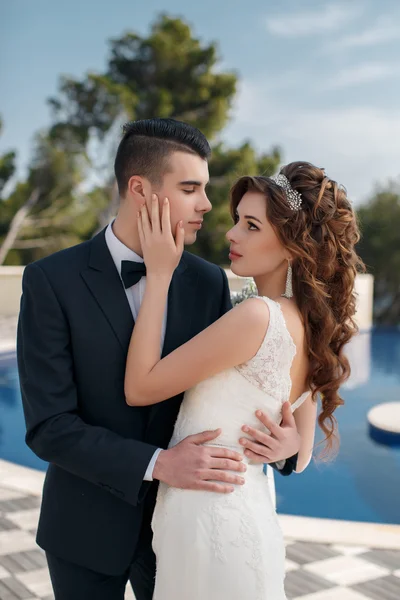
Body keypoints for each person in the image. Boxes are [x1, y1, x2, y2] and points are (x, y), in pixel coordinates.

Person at [17, 118, 301, 600]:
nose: (208, 205)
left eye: (205, 188)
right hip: (85, 529)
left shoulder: (209, 281)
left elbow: (241, 385)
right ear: (140, 189)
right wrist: (157, 464)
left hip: (187, 531)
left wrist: (288, 446)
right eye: (190, 188)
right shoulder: (51, 281)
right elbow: (50, 426)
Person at [124, 161, 364, 599]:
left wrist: (159, 276)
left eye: (251, 226)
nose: (232, 234)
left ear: (292, 246)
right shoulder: (307, 325)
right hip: (238, 514)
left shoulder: (256, 316)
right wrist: (289, 447)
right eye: (238, 221)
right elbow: (302, 451)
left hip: (211, 520)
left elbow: (140, 387)